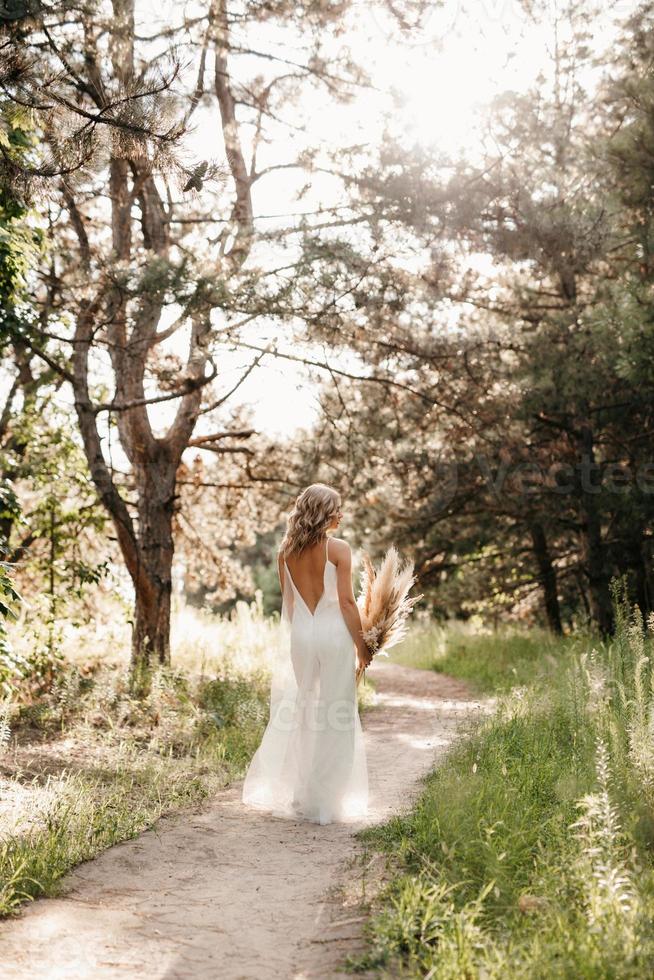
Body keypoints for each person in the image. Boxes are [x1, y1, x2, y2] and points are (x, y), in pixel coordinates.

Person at [242, 483, 371, 824]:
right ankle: (326, 801)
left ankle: (301, 794)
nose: (340, 515)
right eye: (336, 509)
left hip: (302, 635)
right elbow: (346, 602)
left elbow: (290, 605)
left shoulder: (285, 552)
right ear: (323, 513)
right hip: (333, 636)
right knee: (337, 713)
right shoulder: (339, 549)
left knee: (304, 713)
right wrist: (363, 647)